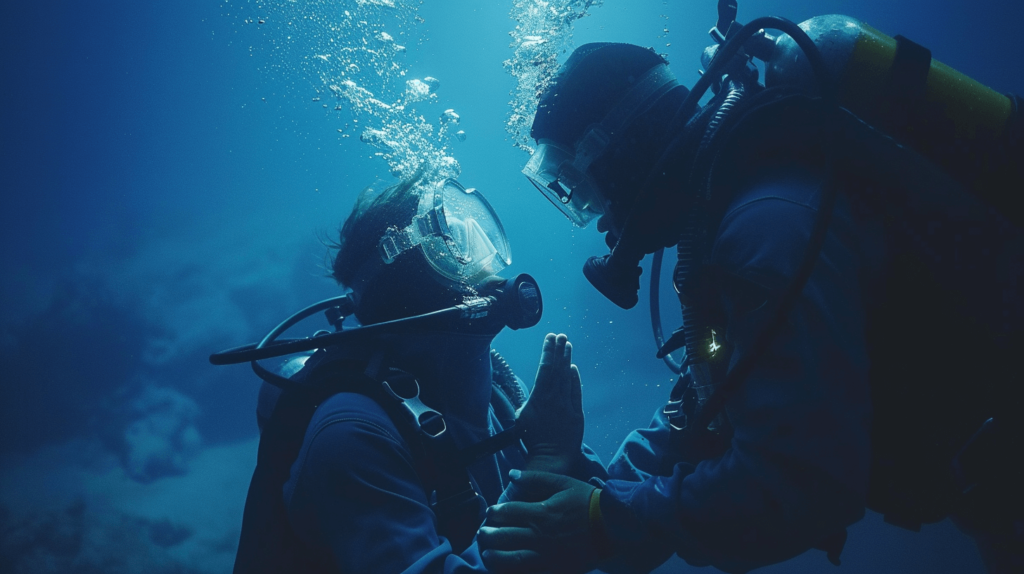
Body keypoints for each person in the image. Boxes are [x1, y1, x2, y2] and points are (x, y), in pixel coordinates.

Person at [477, 16, 1024, 574]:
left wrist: (601, 517)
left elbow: (799, 486)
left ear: (625, 151)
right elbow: (706, 409)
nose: (597, 223)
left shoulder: (764, 229)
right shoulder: (738, 213)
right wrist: (586, 486)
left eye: (586, 189)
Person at [223, 174, 605, 573]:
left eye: (480, 236)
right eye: (456, 247)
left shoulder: (496, 389)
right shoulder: (351, 433)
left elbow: (605, 527)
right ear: (409, 285)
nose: (485, 260)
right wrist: (544, 461)